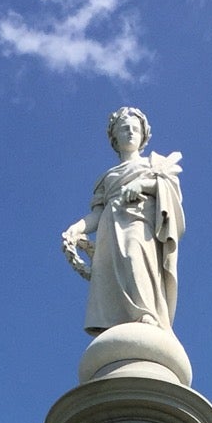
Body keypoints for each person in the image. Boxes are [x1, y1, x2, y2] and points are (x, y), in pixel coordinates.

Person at [62, 106, 184, 335]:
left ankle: (146, 312)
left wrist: (143, 184)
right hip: (110, 229)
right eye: (124, 128)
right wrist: (75, 229)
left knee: (134, 256)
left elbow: (170, 190)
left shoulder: (153, 164)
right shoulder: (107, 178)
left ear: (143, 135)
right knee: (114, 270)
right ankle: (118, 321)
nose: (130, 132)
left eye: (135, 129)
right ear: (114, 137)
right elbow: (98, 214)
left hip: (140, 223)